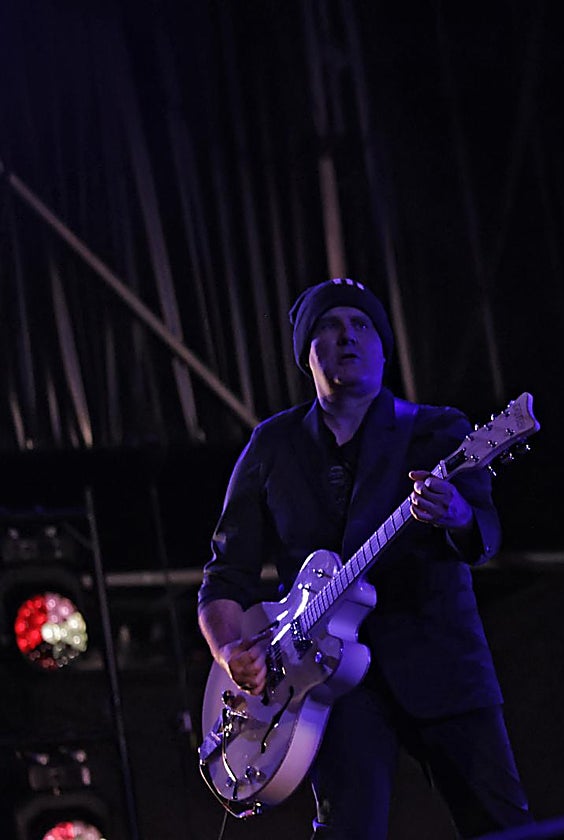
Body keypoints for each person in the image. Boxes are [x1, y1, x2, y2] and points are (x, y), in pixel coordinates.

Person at [197, 278, 532, 838]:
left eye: (361, 325)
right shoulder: (271, 446)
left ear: (383, 347)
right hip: (325, 687)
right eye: (329, 326)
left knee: (502, 826)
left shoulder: (438, 430)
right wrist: (230, 649)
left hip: (442, 664)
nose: (347, 336)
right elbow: (225, 576)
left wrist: (455, 514)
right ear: (307, 354)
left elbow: (484, 533)